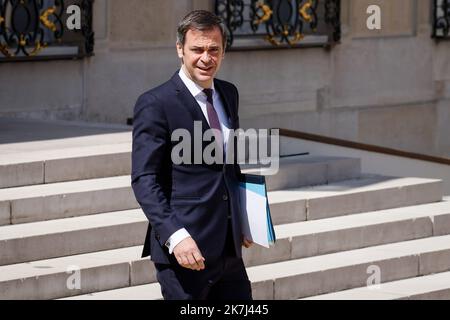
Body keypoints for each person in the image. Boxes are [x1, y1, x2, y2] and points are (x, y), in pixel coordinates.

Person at [131, 10, 254, 300]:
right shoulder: (154, 103)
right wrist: (176, 237)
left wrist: (245, 218)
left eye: (214, 49)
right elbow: (144, 180)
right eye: (197, 49)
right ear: (180, 49)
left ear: (223, 51)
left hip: (229, 251)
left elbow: (228, 166)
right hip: (185, 253)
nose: (206, 58)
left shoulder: (229, 93)